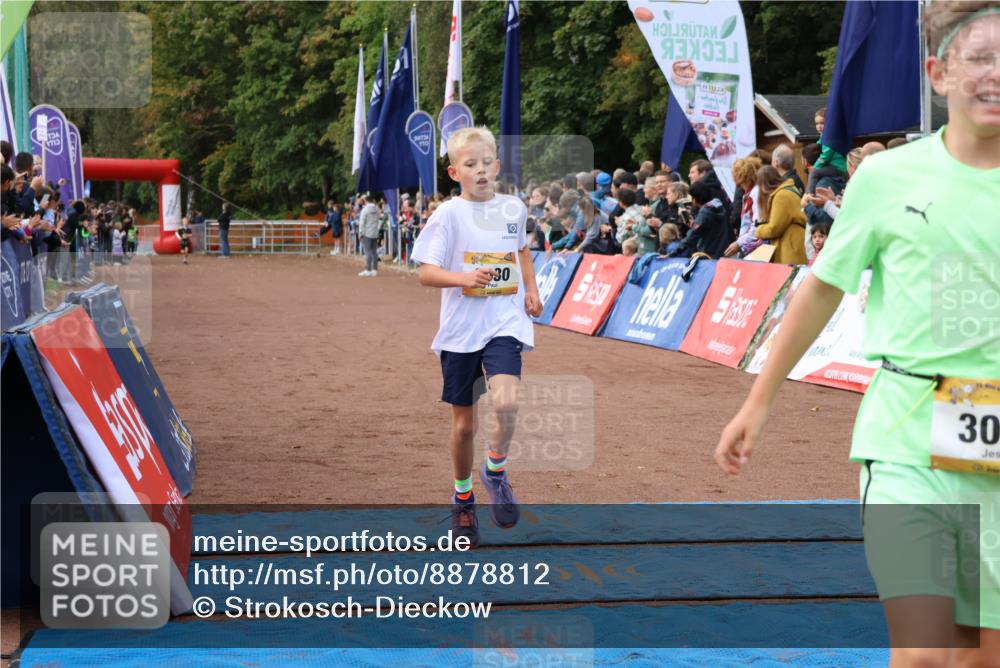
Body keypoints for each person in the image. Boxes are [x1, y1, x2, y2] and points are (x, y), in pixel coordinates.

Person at [715, 4, 1000, 665]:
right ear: (938, 73)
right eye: (978, 57)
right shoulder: (885, 178)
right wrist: (760, 398)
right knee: (926, 652)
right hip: (906, 439)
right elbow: (820, 288)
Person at [410, 127, 542, 548]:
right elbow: (425, 273)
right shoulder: (447, 215)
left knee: (507, 401)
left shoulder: (513, 208)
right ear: (454, 172)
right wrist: (463, 277)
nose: (481, 171)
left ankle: (496, 471)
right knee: (464, 425)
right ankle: (463, 497)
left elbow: (521, 248)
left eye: (487, 163)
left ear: (497, 166)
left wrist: (532, 288)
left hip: (503, 322)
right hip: (461, 331)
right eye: (471, 165)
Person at [752, 165, 807, 265]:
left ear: (765, 183)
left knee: (789, 278)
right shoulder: (788, 190)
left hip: (788, 246)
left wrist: (758, 230)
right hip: (794, 242)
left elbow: (774, 228)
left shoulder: (781, 195)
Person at [667, 180, 731, 259]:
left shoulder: (704, 214)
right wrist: (694, 224)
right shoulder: (719, 207)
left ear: (694, 199)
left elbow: (691, 236)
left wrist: (671, 254)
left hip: (710, 256)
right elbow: (708, 228)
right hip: (724, 253)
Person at [357, 195, 380, 277]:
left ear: (366, 201)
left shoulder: (365, 209)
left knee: (367, 252)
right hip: (375, 232)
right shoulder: (377, 209)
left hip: (367, 233)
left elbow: (362, 222)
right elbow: (378, 219)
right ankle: (375, 270)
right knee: (374, 252)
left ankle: (368, 270)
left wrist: (360, 233)